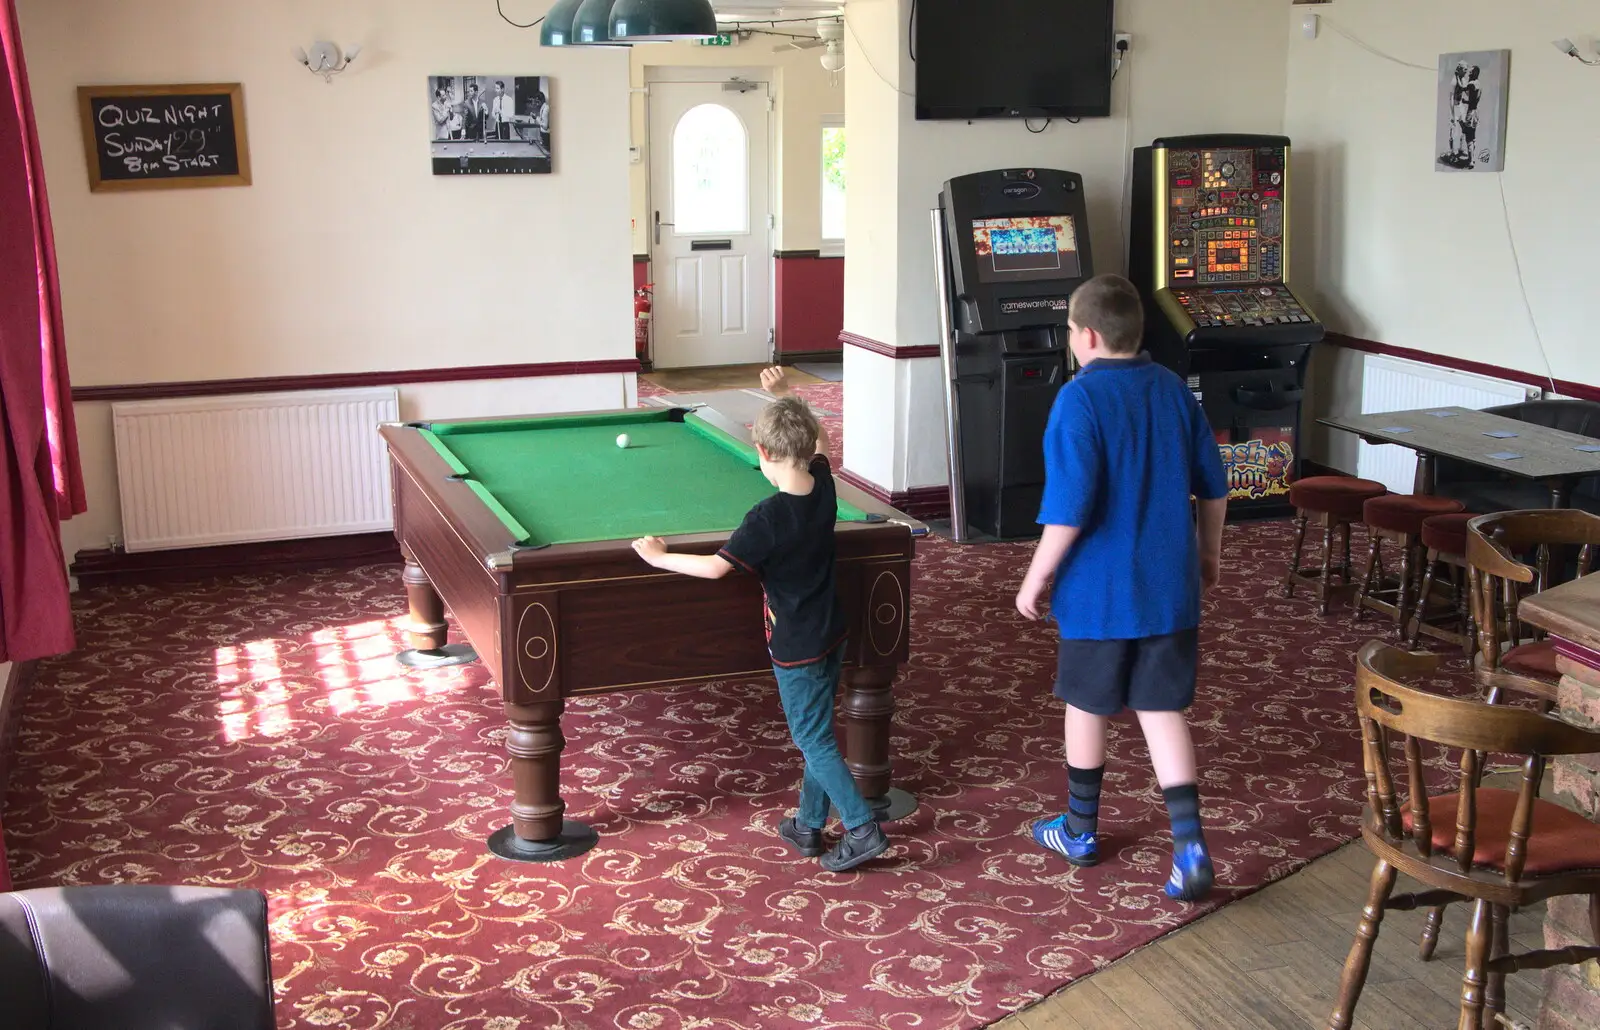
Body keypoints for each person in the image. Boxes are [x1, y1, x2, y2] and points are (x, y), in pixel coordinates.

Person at [1013, 274, 1228, 902]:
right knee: (1161, 710)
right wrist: (1208, 557)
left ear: (1085, 336)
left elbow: (1072, 506)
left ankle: (1080, 830)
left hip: (1098, 593)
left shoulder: (1077, 400)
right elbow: (1214, 485)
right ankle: (1189, 849)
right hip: (1169, 587)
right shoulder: (1173, 391)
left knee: (1086, 704)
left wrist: (1035, 575)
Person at [632, 368, 890, 873]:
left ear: (764, 454)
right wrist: (786, 398)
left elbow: (713, 569)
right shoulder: (823, 485)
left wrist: (660, 556)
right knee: (816, 731)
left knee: (812, 738)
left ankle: (861, 828)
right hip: (831, 631)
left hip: (797, 646)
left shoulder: (766, 518)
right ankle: (808, 824)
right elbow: (822, 439)